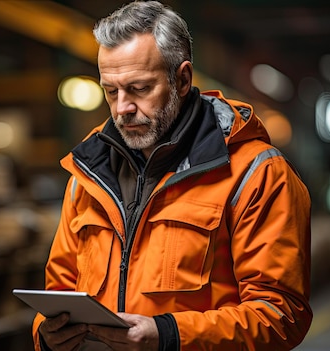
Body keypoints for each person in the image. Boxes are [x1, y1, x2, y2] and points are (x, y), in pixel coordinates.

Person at [31, 1, 313, 350]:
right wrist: (46, 335)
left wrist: (169, 336)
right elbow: (58, 292)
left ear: (181, 79)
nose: (122, 108)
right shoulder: (86, 177)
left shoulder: (256, 174)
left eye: (139, 88)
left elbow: (281, 315)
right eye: (111, 91)